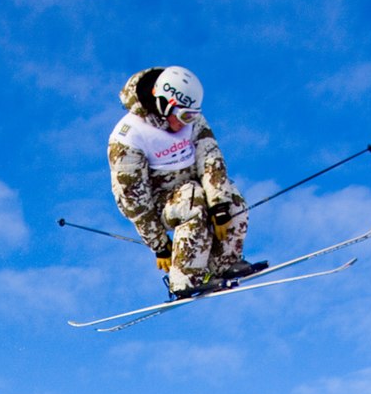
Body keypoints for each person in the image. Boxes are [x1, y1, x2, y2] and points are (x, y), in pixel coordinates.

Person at [108, 66, 262, 298]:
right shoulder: (129, 136)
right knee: (193, 200)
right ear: (163, 105)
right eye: (183, 116)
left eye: (191, 116)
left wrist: (219, 204)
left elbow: (210, 157)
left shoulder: (192, 120)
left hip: (194, 188)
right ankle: (185, 278)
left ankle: (224, 263)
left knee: (235, 202)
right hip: (162, 203)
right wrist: (159, 244)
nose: (186, 122)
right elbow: (132, 199)